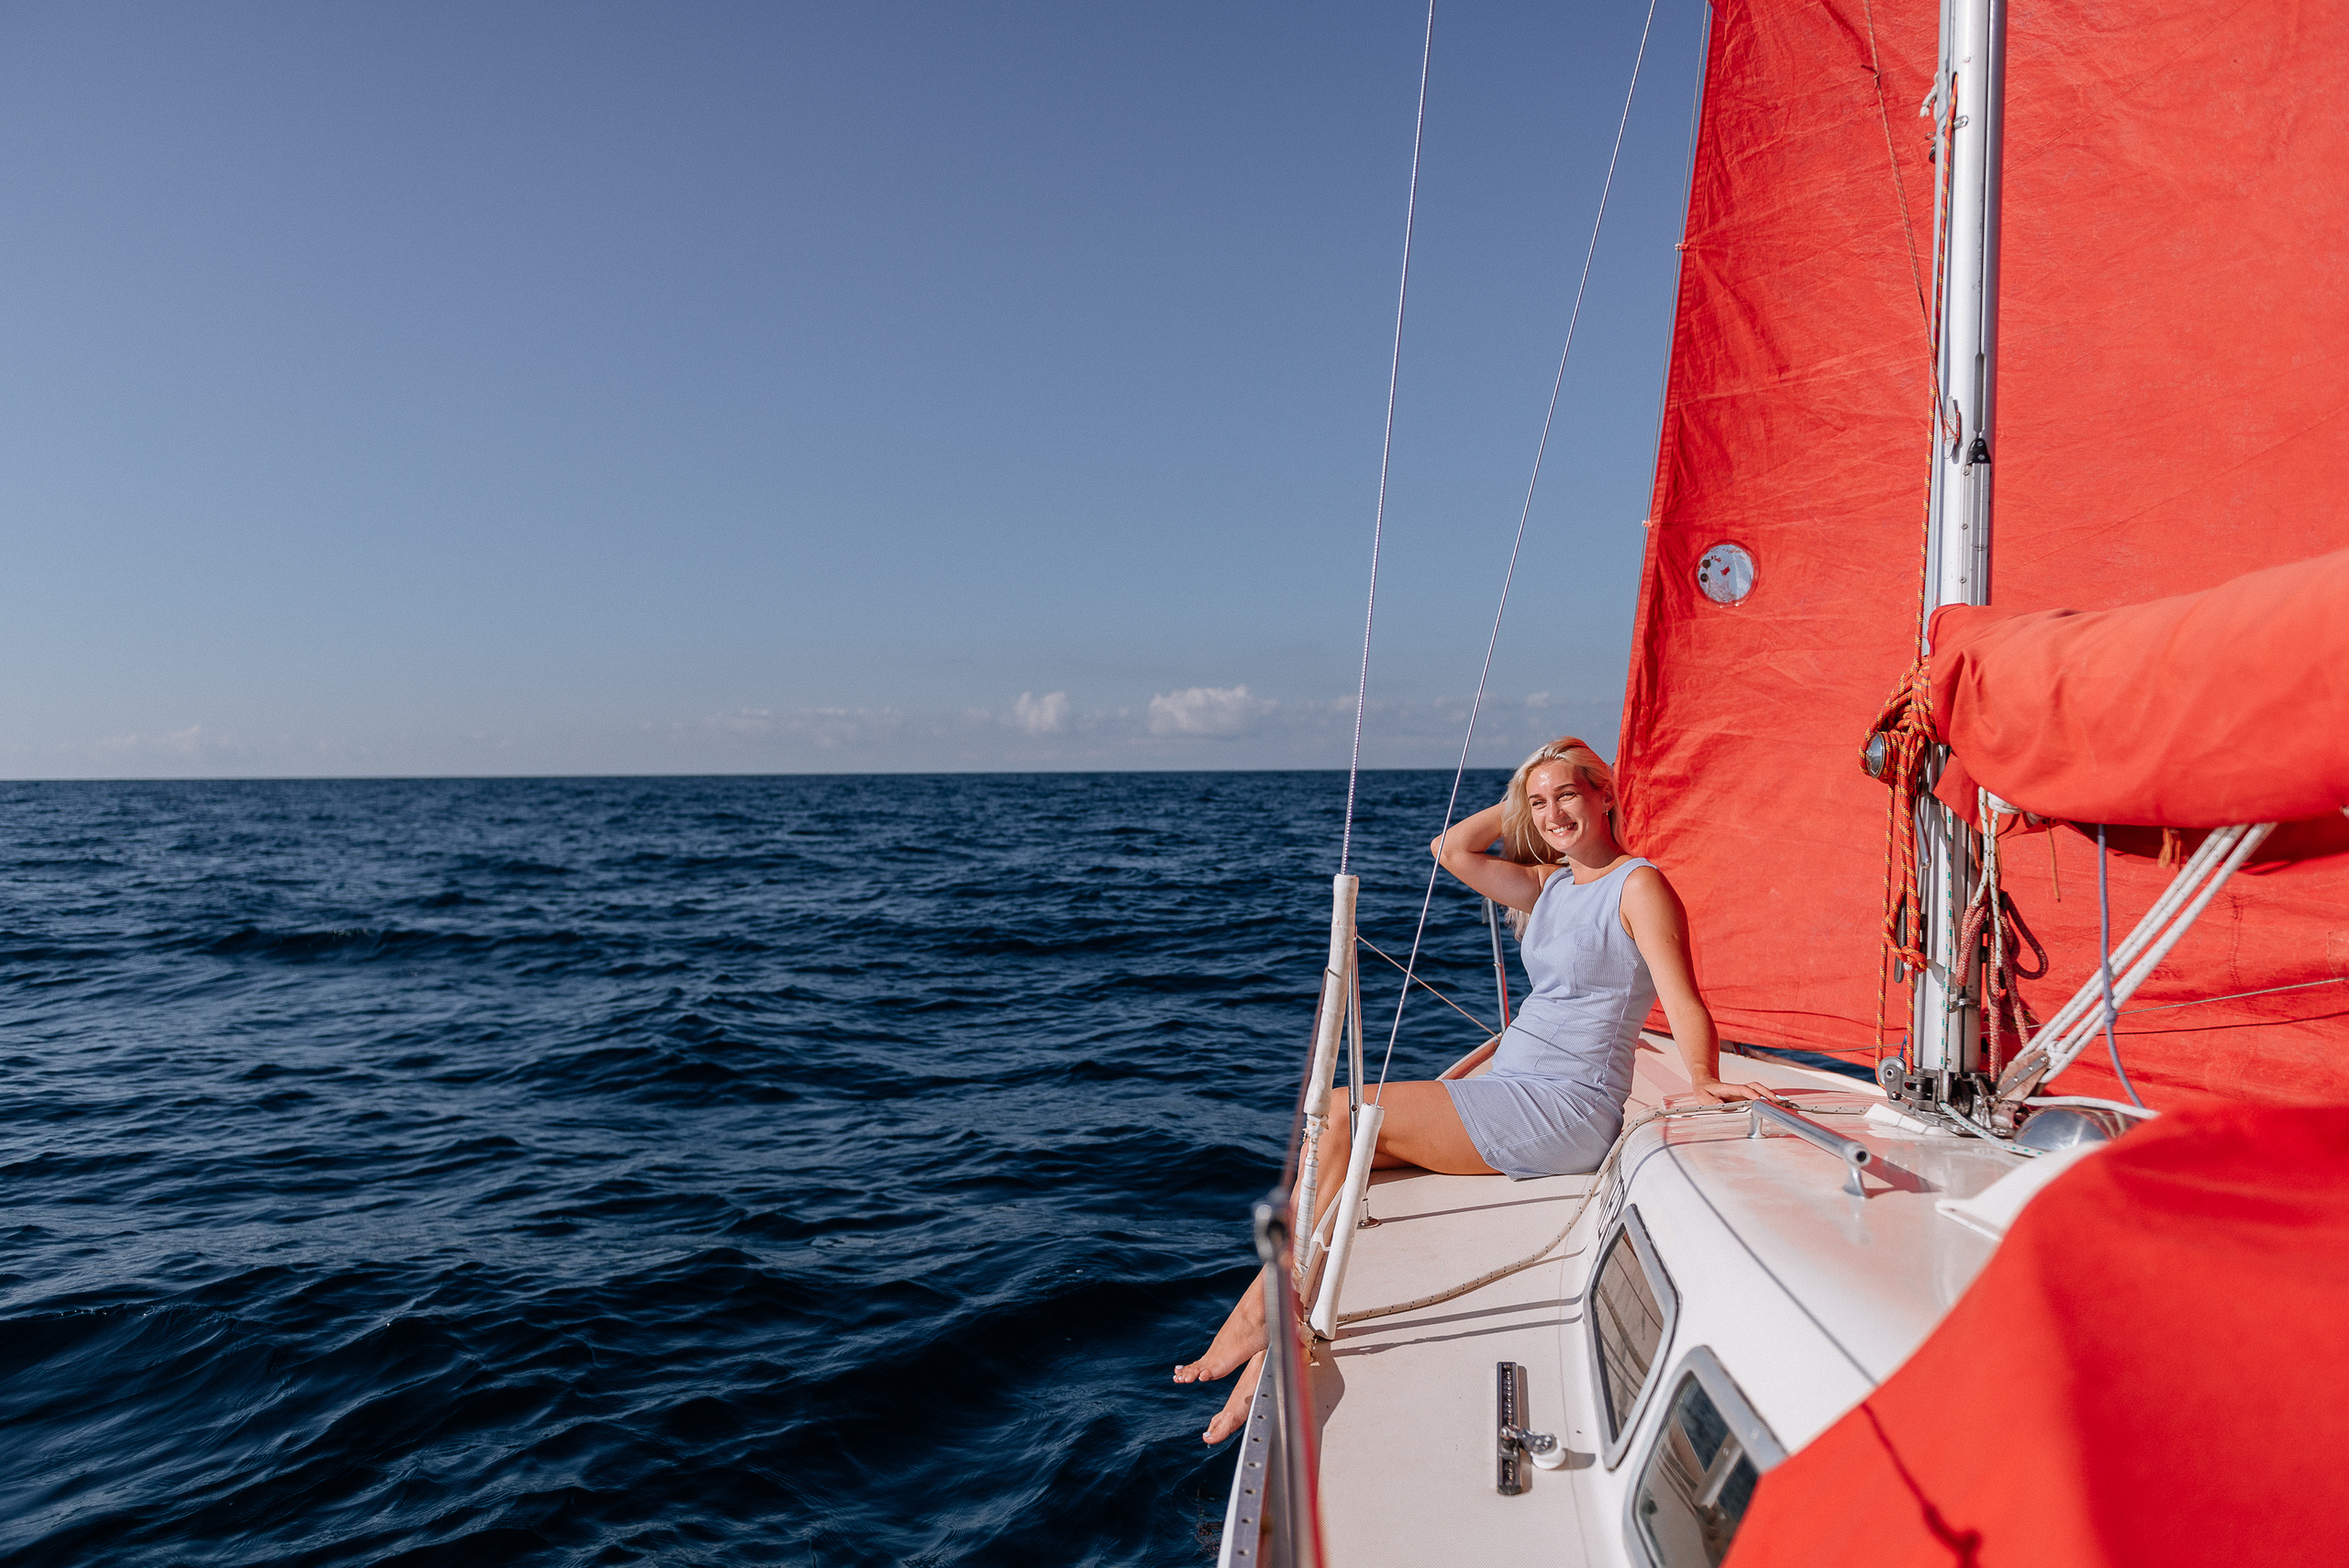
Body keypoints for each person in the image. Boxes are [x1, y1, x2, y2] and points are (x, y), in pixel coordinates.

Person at [1173, 736, 1773, 1442]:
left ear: (1606, 794)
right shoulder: (1550, 884)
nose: (1552, 814)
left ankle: (1267, 1311)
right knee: (1342, 1164)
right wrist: (1525, 794)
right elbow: (1450, 850)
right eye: (1540, 802)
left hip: (1566, 1105)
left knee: (1340, 1111)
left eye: (1569, 795)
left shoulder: (1637, 885)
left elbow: (1683, 998)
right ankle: (1277, 1312)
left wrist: (1704, 1078)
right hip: (1514, 1080)